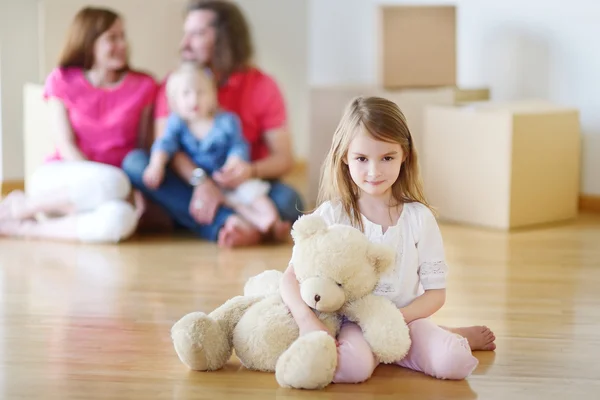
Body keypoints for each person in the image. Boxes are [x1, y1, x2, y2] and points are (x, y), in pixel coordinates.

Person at [280, 96, 496, 384]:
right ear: (345, 157)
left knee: (454, 363)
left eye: (387, 158)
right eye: (361, 159)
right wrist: (309, 322)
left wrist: (393, 320)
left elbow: (435, 293)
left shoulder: (419, 219)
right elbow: (290, 278)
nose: (374, 171)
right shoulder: (332, 215)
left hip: (407, 320)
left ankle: (445, 336)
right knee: (349, 370)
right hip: (353, 323)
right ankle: (430, 338)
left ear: (404, 154)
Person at [122, 0, 304, 247]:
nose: (183, 44)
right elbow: (168, 147)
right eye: (184, 33)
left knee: (289, 200)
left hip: (242, 183)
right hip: (189, 181)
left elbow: (284, 158)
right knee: (136, 163)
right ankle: (235, 224)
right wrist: (201, 181)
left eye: (196, 34)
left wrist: (248, 171)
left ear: (225, 38)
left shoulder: (262, 85)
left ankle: (221, 222)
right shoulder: (175, 84)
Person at [0, 7, 157, 243]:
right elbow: (65, 145)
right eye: (112, 38)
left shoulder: (144, 85)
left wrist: (136, 190)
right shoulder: (62, 80)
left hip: (113, 190)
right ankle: (22, 206)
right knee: (112, 182)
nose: (122, 44)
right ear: (89, 41)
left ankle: (25, 229)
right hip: (62, 178)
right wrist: (100, 180)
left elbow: (143, 146)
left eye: (123, 36)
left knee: (120, 220)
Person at [142, 62, 286, 235]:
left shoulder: (226, 121)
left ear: (213, 95)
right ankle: (257, 224)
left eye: (201, 92)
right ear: (174, 102)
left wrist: (235, 162)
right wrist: (156, 164)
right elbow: (165, 144)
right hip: (197, 186)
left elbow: (238, 145)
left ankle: (272, 221)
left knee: (255, 195)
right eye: (186, 94)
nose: (194, 99)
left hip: (229, 178)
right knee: (235, 204)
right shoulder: (177, 124)